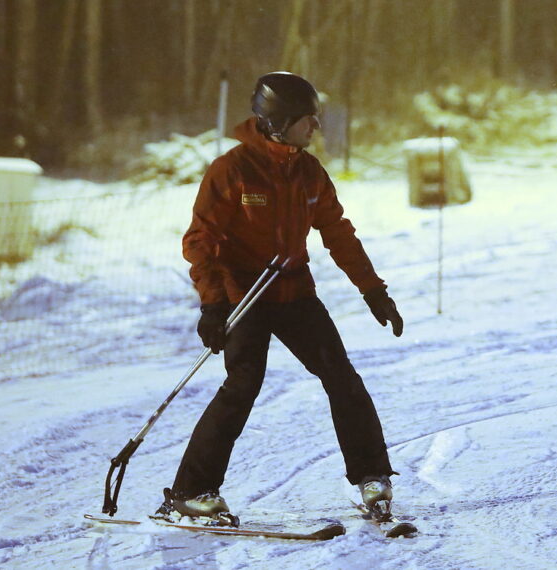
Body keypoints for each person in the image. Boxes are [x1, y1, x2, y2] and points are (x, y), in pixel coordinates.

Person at [155, 71, 404, 525]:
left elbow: (338, 234)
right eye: (308, 120)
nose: (316, 128)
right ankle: (190, 492)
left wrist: (373, 290)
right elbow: (199, 240)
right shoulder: (232, 170)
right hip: (243, 295)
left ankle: (373, 477)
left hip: (293, 291)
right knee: (242, 385)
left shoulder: (308, 172)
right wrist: (212, 303)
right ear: (278, 121)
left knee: (341, 377)